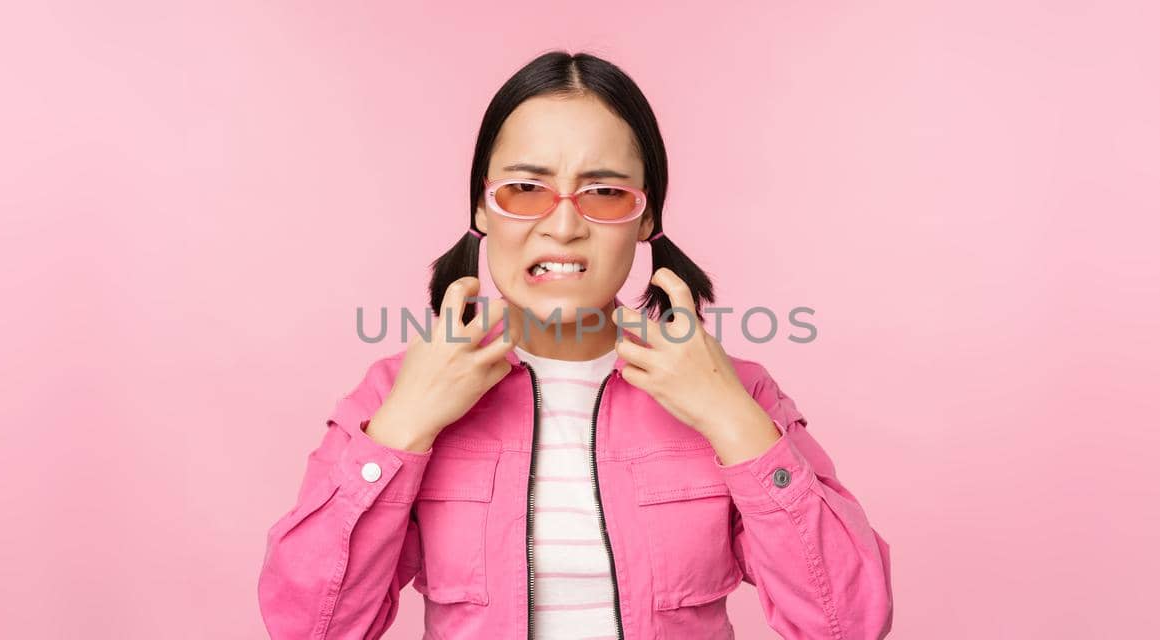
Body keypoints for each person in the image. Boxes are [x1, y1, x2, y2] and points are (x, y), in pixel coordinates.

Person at [258, 50, 893, 640]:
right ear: (482, 206)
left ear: (646, 218)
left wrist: (731, 418)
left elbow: (849, 624)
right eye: (524, 189)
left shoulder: (737, 391)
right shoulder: (396, 393)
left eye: (605, 193)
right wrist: (402, 428)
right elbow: (309, 627)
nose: (563, 227)